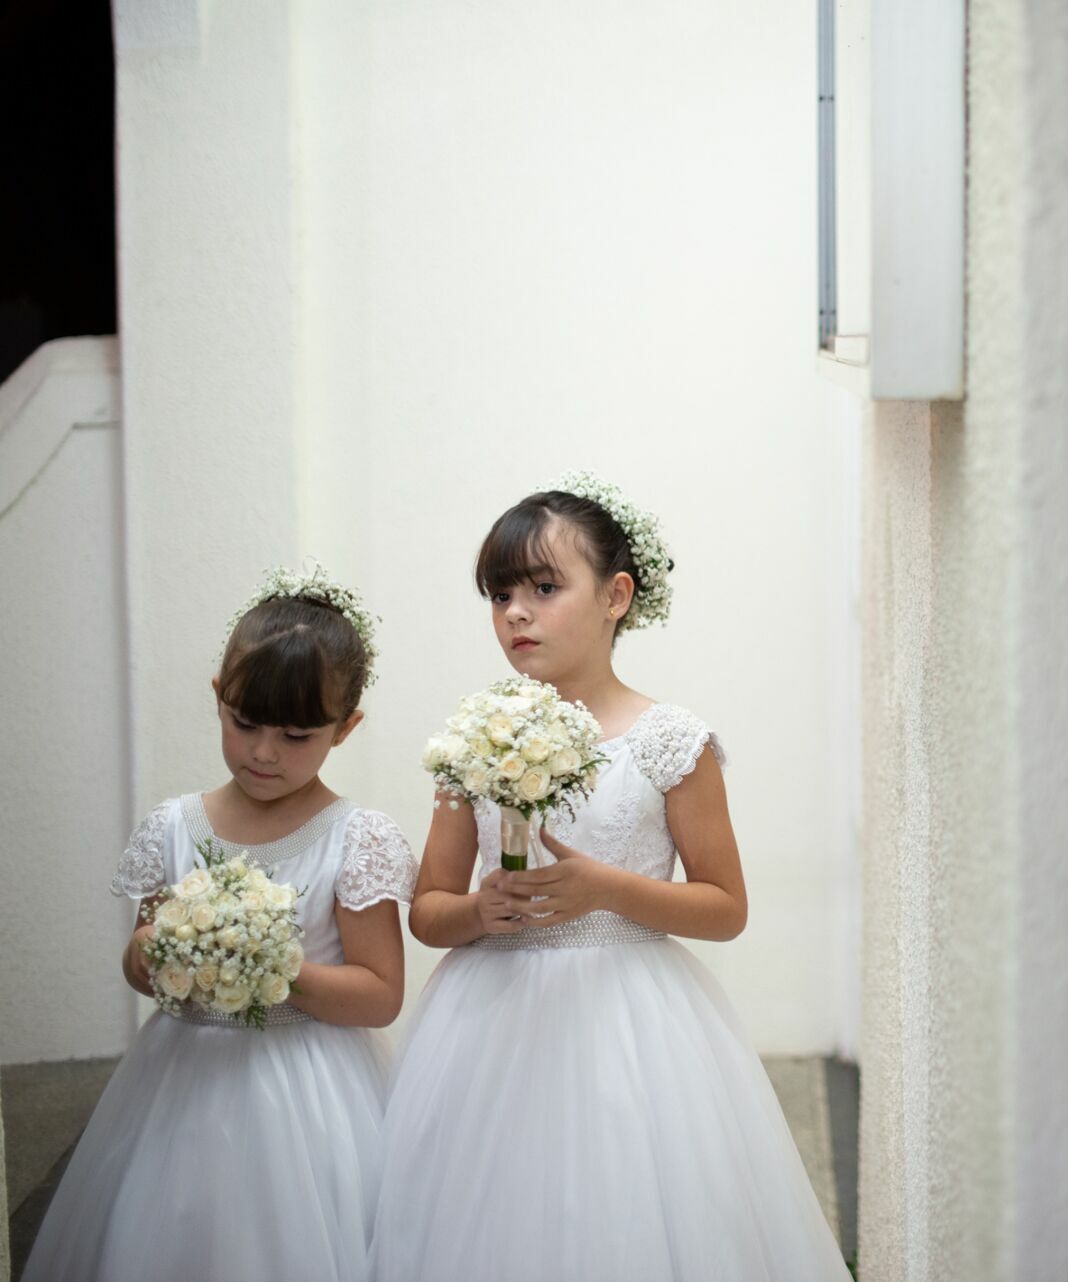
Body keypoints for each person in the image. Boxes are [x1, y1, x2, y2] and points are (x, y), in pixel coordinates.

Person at [370, 472, 849, 1280]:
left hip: (633, 1022)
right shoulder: (473, 738)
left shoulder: (671, 740)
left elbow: (725, 908)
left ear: (616, 595)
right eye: (499, 594)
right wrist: (480, 910)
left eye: (544, 587)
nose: (516, 613)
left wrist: (606, 890)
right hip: (491, 1020)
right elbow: (428, 910)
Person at [23, 564, 417, 1282]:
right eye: (244, 724)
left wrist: (276, 967)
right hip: (182, 1079)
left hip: (305, 1091)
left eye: (297, 735)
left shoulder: (355, 838)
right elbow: (143, 963)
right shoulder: (174, 826)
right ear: (219, 698)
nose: (264, 752)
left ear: (346, 727)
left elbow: (380, 992)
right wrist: (151, 952)